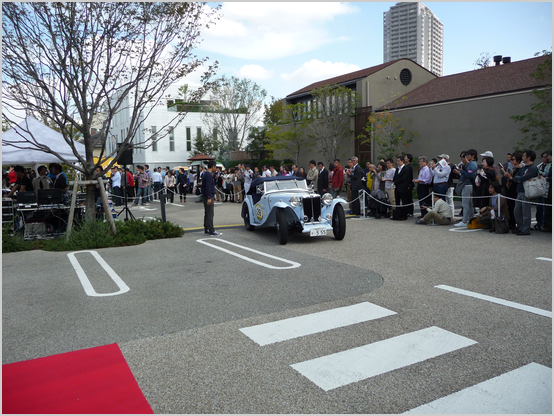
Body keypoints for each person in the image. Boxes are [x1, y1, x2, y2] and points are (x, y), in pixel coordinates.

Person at [509, 149, 539, 236]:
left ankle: (526, 229)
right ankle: (521, 227)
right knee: (517, 211)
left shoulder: (533, 168)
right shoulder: (523, 168)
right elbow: (516, 177)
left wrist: (519, 179)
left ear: (529, 157)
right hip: (519, 191)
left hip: (527, 191)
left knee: (525, 211)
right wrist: (518, 179)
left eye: (524, 156)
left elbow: (522, 178)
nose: (522, 157)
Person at [453, 149, 477, 227]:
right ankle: (470, 219)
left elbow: (469, 175)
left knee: (465, 204)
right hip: (469, 185)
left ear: (473, 156)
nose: (467, 156)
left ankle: (464, 221)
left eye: (468, 155)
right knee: (469, 204)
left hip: (467, 185)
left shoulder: (471, 164)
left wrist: (461, 171)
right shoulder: (471, 164)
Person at [202, 160, 221, 236]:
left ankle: (206, 228)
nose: (215, 168)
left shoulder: (205, 174)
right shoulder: (209, 175)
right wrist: (209, 197)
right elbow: (208, 187)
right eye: (215, 167)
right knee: (210, 213)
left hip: (206, 195)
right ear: (213, 167)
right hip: (208, 196)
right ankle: (211, 230)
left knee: (207, 213)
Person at [392, 155, 412, 221]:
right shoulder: (397, 169)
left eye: (398, 161)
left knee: (404, 202)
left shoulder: (406, 169)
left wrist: (396, 182)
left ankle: (404, 215)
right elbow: (395, 177)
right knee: (397, 201)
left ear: (402, 161)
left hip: (403, 187)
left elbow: (404, 178)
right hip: (397, 188)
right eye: (397, 161)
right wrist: (394, 182)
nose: (397, 162)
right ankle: (397, 215)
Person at [534, 150, 551, 230]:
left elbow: (546, 173)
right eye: (543, 157)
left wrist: (541, 173)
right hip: (539, 186)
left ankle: (545, 223)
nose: (544, 159)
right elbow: (536, 170)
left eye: (545, 157)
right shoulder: (541, 165)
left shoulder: (550, 165)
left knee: (545, 207)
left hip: (546, 188)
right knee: (539, 206)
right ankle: (539, 222)